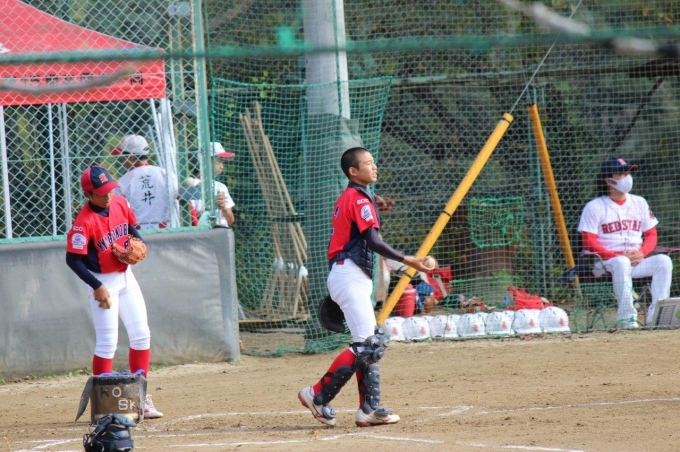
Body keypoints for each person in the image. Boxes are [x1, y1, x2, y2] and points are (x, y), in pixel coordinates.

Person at [298, 147, 432, 427]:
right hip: (349, 276)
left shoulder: (351, 197)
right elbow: (373, 241)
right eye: (368, 163)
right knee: (367, 346)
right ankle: (317, 395)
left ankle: (368, 410)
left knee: (371, 343)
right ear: (353, 171)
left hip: (348, 274)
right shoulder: (358, 199)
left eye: (373, 162)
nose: (374, 167)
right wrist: (408, 260)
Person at [65, 165, 163, 419]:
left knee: (141, 335)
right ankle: (104, 404)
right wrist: (96, 286)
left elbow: (131, 229)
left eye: (109, 189)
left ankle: (141, 399)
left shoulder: (120, 202)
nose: (108, 195)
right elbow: (72, 260)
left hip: (125, 276)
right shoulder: (84, 222)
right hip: (102, 281)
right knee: (108, 342)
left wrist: (137, 243)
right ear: (88, 194)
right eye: (101, 192)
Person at [578, 157, 673, 328]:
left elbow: (651, 234)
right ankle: (627, 318)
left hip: (635, 261)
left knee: (663, 261)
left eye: (628, 173)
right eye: (621, 173)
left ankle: (657, 317)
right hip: (603, 263)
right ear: (609, 181)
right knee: (621, 262)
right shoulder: (594, 206)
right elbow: (588, 241)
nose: (627, 177)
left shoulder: (639, 202)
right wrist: (617, 256)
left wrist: (642, 252)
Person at [112, 134, 177, 230]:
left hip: (137, 233)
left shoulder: (123, 181)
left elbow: (116, 211)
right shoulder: (165, 174)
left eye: (123, 157)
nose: (122, 160)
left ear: (131, 157)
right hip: (167, 230)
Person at [189, 142, 236, 227]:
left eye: (222, 162)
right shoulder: (192, 185)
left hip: (222, 231)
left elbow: (230, 221)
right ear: (205, 161)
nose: (222, 166)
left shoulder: (221, 186)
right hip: (203, 231)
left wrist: (223, 207)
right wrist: (211, 206)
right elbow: (190, 219)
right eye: (219, 162)